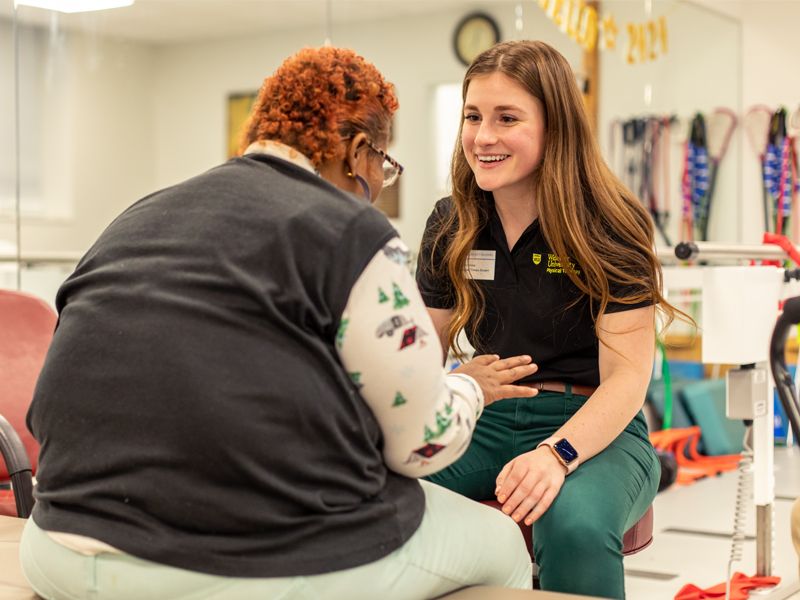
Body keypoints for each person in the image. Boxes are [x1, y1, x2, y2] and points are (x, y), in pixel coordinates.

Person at [20, 46, 540, 600]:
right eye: (383, 167)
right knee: (502, 542)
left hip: (57, 547)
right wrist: (467, 387)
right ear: (359, 152)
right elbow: (422, 447)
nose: (378, 185)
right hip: (233, 566)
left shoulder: (139, 215)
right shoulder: (350, 234)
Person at [416, 40, 680, 599]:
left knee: (574, 524)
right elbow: (418, 359)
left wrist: (557, 454)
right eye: (473, 116)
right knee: (376, 496)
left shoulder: (610, 223)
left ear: (555, 125)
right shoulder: (451, 224)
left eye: (506, 118)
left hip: (595, 422)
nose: (482, 137)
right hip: (486, 414)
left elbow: (629, 378)